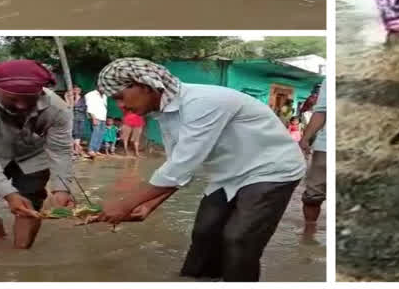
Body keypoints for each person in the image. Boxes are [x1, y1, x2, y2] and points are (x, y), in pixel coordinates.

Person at [94, 58, 305, 282]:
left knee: (239, 239)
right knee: (204, 233)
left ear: (145, 86)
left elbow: (182, 164)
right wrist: (148, 205)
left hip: (272, 169)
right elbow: (178, 164)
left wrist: (125, 204)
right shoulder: (164, 113)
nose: (121, 106)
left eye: (119, 97)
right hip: (228, 174)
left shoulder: (203, 102)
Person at [0, 60, 75, 249]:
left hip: (34, 155)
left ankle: (21, 252)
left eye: (29, 100)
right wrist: (9, 194)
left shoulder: (58, 108)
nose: (21, 106)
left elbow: (60, 150)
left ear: (41, 92)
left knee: (30, 204)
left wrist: (62, 188)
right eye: (12, 99)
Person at [298, 78, 326, 235]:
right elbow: (321, 111)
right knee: (312, 196)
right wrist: (305, 139)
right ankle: (309, 231)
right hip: (326, 146)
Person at [85, 87, 108, 158]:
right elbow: (89, 106)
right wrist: (93, 118)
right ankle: (91, 150)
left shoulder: (104, 96)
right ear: (98, 86)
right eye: (102, 86)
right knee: (95, 133)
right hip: (95, 117)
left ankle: (96, 150)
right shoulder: (91, 94)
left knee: (101, 133)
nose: (104, 88)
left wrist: (105, 118)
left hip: (102, 117)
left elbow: (104, 107)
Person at [65, 85, 87, 157]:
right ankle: (73, 150)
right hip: (72, 118)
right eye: (75, 90)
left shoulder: (83, 99)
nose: (77, 91)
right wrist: (68, 98)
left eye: (78, 90)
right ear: (73, 90)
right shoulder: (70, 98)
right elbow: (69, 107)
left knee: (79, 134)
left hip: (81, 118)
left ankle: (76, 150)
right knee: (73, 133)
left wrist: (77, 103)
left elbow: (83, 108)